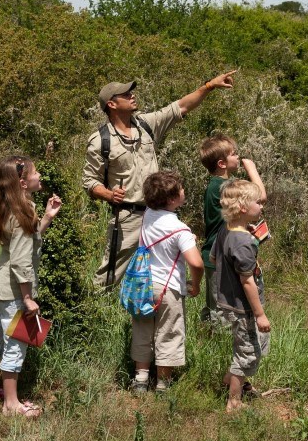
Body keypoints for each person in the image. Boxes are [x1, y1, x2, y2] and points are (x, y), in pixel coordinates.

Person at [83, 71, 237, 287]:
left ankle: (153, 312)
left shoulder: (146, 125)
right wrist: (108, 194)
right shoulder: (100, 140)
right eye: (125, 94)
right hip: (128, 217)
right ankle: (95, 313)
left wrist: (210, 85)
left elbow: (180, 107)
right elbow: (90, 182)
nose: (132, 95)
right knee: (110, 276)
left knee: (161, 272)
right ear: (112, 104)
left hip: (159, 213)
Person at [0, 156, 62, 418]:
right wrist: (28, 298)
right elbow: (22, 262)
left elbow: (29, 239)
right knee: (15, 343)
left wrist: (46, 217)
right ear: (23, 182)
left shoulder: (14, 208)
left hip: (1, 287)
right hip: (15, 292)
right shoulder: (23, 212)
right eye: (36, 173)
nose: (39, 175)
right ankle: (11, 404)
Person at [130, 171, 204, 394]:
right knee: (168, 331)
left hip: (143, 284)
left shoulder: (148, 214)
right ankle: (163, 383)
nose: (183, 191)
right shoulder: (180, 229)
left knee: (142, 329)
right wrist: (197, 284)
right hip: (168, 288)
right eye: (181, 189)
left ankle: (141, 379)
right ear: (172, 200)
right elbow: (197, 263)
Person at [210, 180, 271, 412]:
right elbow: (247, 281)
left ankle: (232, 380)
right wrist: (260, 314)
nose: (261, 206)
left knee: (247, 346)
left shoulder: (226, 230)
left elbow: (215, 259)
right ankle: (234, 402)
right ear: (244, 208)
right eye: (257, 202)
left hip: (228, 302)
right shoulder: (243, 242)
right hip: (244, 307)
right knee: (247, 354)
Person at [199, 134, 266, 326]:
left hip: (222, 254)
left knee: (218, 307)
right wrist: (251, 168)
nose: (238, 157)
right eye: (234, 154)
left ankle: (211, 338)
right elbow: (260, 197)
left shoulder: (223, 184)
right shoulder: (219, 186)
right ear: (222, 163)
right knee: (220, 310)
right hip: (218, 257)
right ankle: (215, 344)